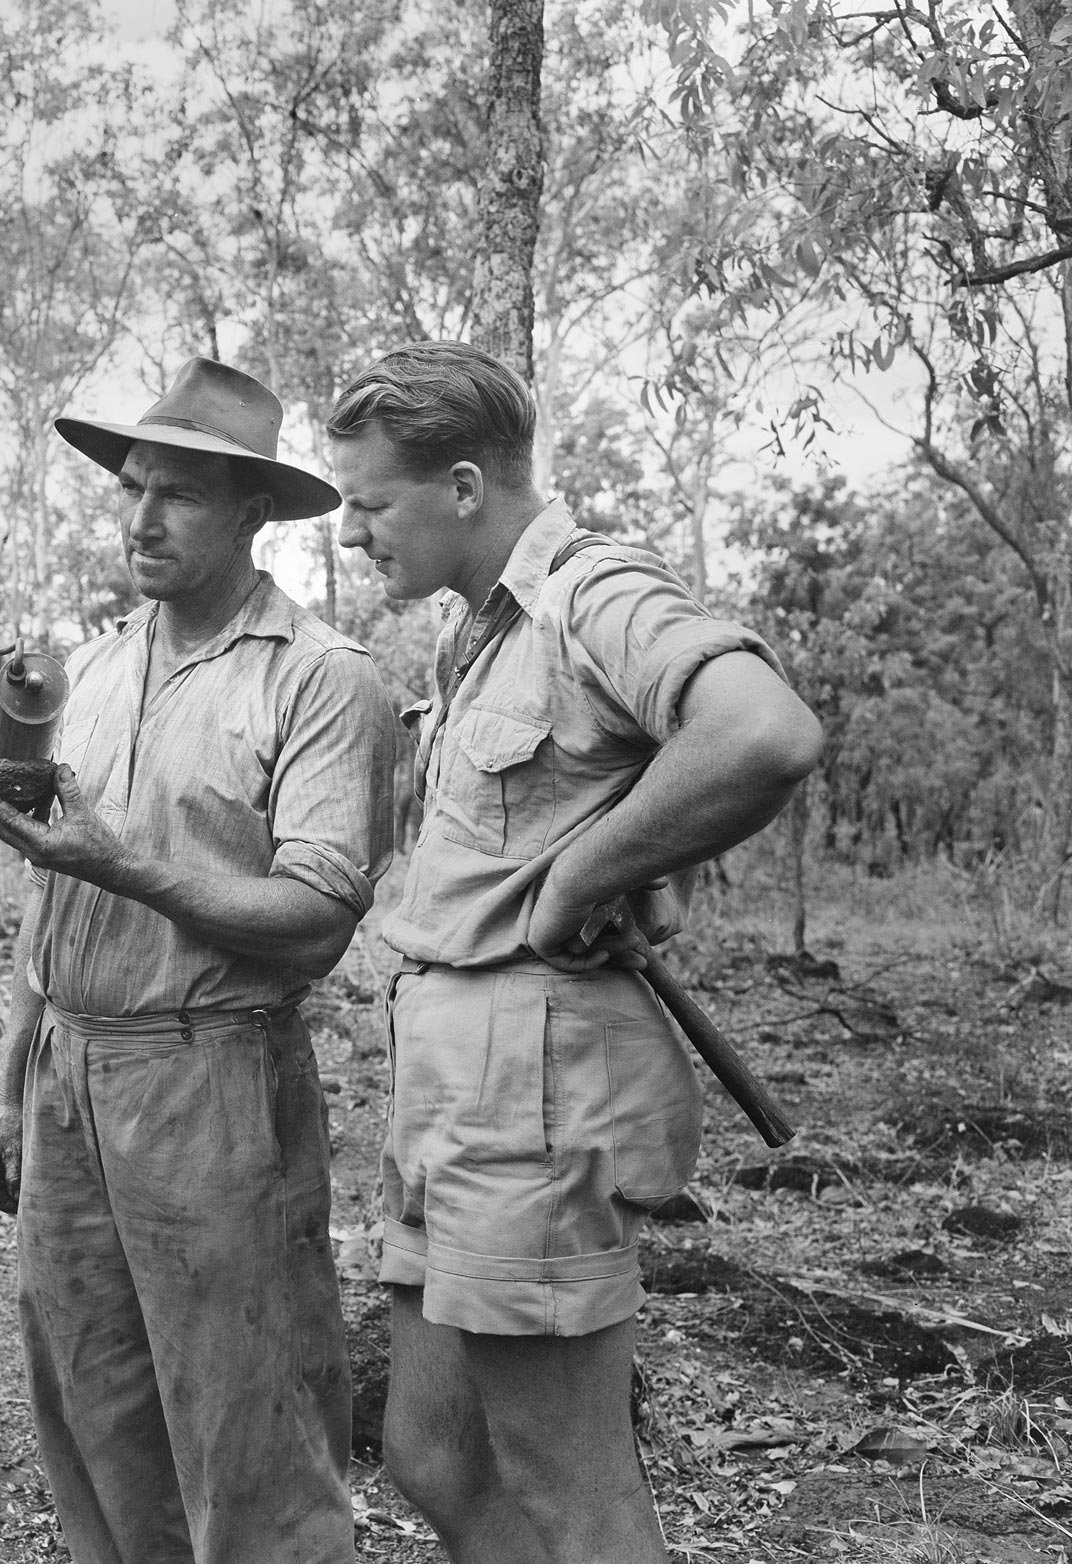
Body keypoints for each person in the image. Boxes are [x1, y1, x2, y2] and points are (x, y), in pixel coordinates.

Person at [328, 342, 823, 1564]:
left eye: (366, 503)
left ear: (459, 486)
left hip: (528, 1094)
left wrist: (590, 873)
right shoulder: (479, 638)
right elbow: (611, 777)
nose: (348, 534)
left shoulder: (587, 590)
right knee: (430, 1452)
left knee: (570, 1489)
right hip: (456, 1090)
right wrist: (639, 847)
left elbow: (759, 732)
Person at [0, 358, 396, 1564]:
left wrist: (131, 866)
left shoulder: (319, 679)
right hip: (68, 1081)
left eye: (180, 497)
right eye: (131, 489)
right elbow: (52, 890)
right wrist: (7, 1090)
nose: (142, 519)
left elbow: (315, 916)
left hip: (211, 1078)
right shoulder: (87, 670)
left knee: (244, 1412)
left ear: (253, 513)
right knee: (88, 1399)